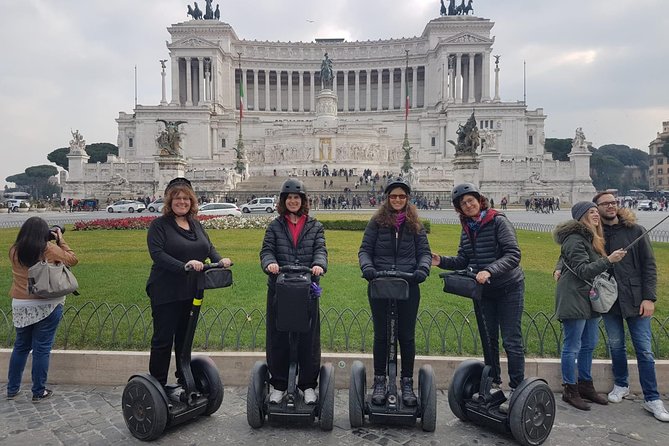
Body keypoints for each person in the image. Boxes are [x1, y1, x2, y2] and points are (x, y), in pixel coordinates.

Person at [432, 182, 525, 413]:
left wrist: (490, 270)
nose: (468, 204)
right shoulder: (467, 228)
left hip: (508, 287)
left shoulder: (498, 221)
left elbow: (513, 254)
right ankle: (493, 382)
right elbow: (463, 259)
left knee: (511, 339)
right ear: (459, 209)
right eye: (463, 203)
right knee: (488, 338)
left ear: (479, 200)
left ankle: (517, 387)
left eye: (471, 200)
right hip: (485, 291)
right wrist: (440, 260)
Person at [146, 177, 232, 387]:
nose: (182, 202)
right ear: (169, 201)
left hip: (191, 289)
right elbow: (157, 254)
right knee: (163, 340)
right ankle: (158, 385)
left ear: (192, 201)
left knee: (185, 339)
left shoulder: (195, 225)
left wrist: (219, 260)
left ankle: (184, 379)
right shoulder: (159, 226)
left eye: (186, 198)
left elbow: (208, 247)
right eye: (177, 198)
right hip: (166, 289)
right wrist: (184, 265)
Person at [593, 192, 669, 421]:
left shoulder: (635, 231)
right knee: (616, 346)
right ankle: (621, 384)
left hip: (636, 298)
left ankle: (652, 398)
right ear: (596, 208)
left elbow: (649, 266)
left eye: (613, 202)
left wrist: (649, 298)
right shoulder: (595, 235)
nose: (611, 206)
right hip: (610, 299)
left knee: (644, 350)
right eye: (605, 203)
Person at [359, 177, 431, 407]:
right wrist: (368, 268)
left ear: (407, 199)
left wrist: (422, 269)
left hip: (409, 284)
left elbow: (425, 253)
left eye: (401, 196)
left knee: (406, 336)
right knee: (381, 335)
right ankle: (379, 381)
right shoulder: (376, 222)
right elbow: (365, 250)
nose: (397, 200)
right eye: (393, 196)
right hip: (380, 284)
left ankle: (407, 382)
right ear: (387, 199)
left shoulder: (415, 225)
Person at [553, 201, 626, 410]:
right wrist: (609, 260)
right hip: (574, 296)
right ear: (581, 216)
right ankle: (570, 388)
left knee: (589, 344)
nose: (596, 215)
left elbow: (564, 258)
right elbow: (583, 270)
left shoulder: (591, 237)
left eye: (596, 211)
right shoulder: (575, 238)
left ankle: (585, 385)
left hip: (590, 297)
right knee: (572, 345)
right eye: (591, 212)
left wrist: (558, 267)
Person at [260, 178, 327, 405]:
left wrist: (319, 265)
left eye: (296, 197)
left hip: (306, 288)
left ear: (303, 200)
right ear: (283, 201)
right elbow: (267, 251)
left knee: (309, 339)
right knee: (278, 337)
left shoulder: (315, 226)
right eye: (289, 198)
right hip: (280, 288)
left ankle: (307, 384)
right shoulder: (275, 226)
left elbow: (320, 250)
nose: (293, 201)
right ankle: (278, 384)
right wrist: (270, 264)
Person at [6, 217, 78, 401]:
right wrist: (60, 239)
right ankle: (38, 391)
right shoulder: (47, 249)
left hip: (21, 303)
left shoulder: (14, 250)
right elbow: (72, 259)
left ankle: (12, 389)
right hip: (47, 304)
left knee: (20, 346)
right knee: (41, 349)